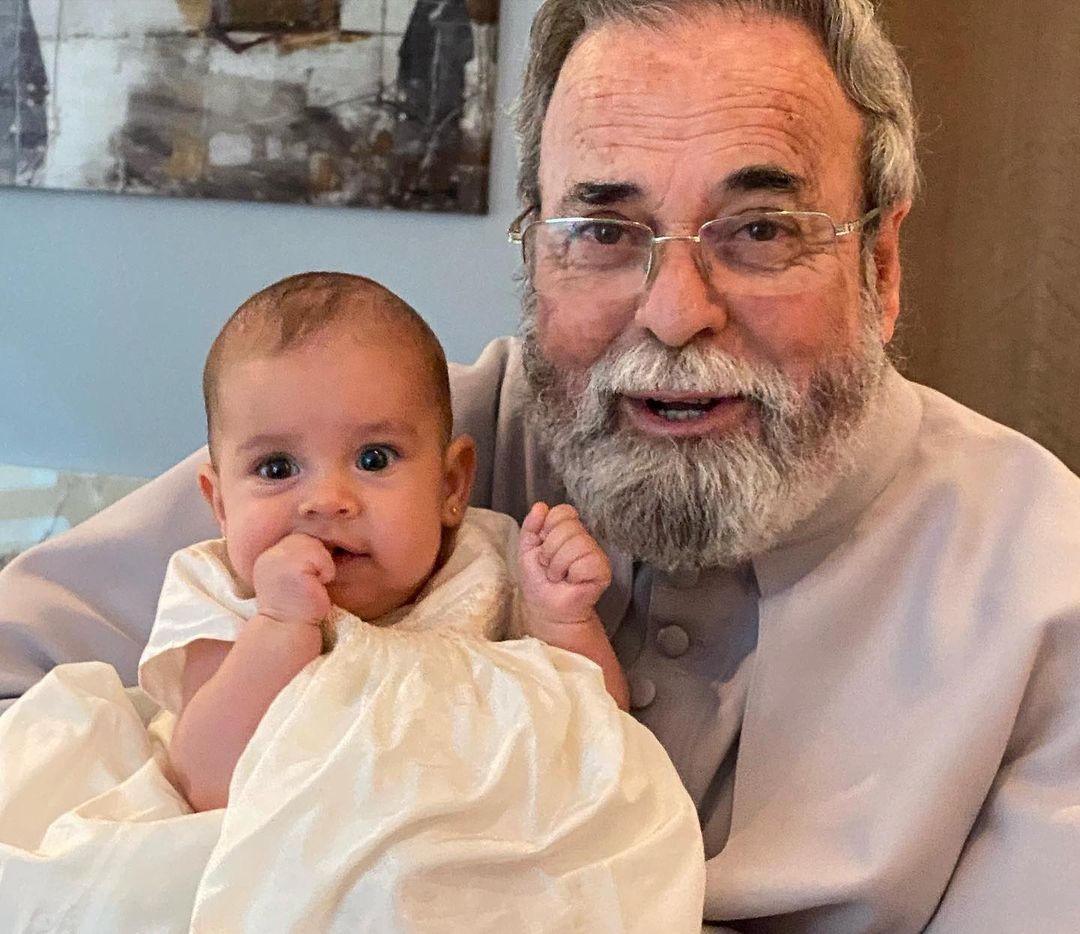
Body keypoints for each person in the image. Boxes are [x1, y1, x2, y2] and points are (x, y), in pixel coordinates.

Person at [1, 0, 1078, 930]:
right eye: (604, 231)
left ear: (879, 266)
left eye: (758, 229)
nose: (673, 312)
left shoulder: (1047, 591)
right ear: (533, 254)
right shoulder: (403, 454)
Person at [141, 271, 628, 811]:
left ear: (451, 486)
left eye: (374, 458)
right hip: (285, 858)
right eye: (276, 467)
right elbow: (206, 783)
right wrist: (279, 628)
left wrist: (563, 623)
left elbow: (603, 743)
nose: (327, 500)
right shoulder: (223, 594)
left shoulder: (489, 566)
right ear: (221, 506)